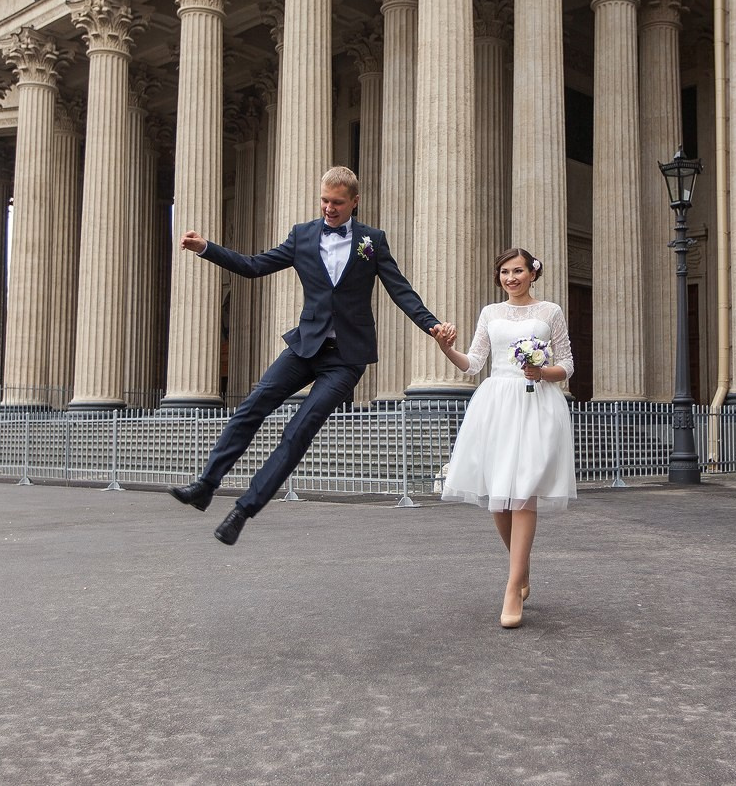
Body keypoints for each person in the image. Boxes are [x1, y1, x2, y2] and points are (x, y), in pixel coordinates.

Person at [169, 166, 454, 546]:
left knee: (298, 430)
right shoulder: (302, 235)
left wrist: (431, 325)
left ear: (354, 202)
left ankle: (243, 511)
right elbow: (254, 266)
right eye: (324, 201)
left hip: (346, 359)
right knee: (252, 406)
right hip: (305, 346)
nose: (329, 208)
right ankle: (206, 484)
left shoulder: (372, 241)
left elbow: (400, 289)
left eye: (337, 202)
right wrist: (207, 248)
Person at [433, 248, 576, 629]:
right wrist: (447, 348)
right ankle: (522, 568)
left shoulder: (550, 312)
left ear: (533, 274)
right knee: (499, 497)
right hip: (496, 405)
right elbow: (473, 364)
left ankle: (512, 588)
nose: (511, 278)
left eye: (518, 271)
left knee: (524, 492)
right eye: (504, 272)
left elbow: (567, 365)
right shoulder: (490, 313)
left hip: (536, 404)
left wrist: (541, 372)